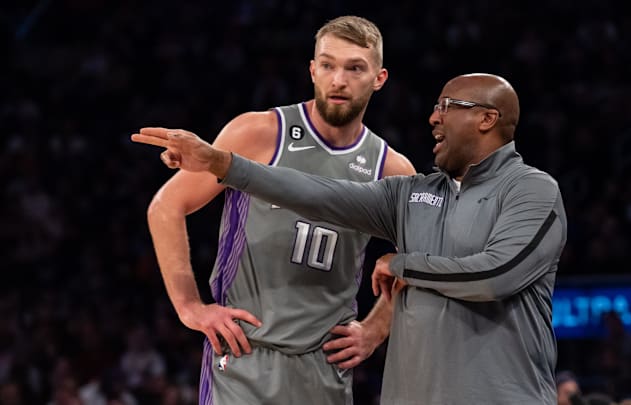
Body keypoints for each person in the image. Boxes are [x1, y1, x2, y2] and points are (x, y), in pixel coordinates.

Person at [132, 72, 567, 404]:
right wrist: (221, 162)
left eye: (447, 106)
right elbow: (317, 193)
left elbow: (497, 273)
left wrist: (402, 266)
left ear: (487, 118)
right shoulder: (413, 193)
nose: (433, 117)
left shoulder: (531, 189)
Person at [138, 16, 415, 405]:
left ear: (379, 78)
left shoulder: (391, 168)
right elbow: (166, 206)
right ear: (313, 71)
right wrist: (190, 308)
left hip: (325, 367)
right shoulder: (260, 132)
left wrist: (376, 328)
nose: (339, 79)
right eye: (328, 65)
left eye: (355, 68)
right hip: (244, 357)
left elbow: (424, 257)